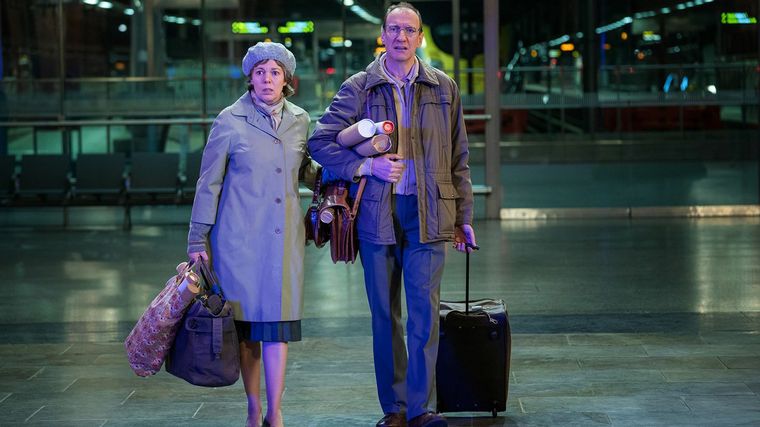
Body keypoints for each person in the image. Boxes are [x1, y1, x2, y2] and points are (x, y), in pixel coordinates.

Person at [307, 3, 476, 427]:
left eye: (410, 30)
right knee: (385, 316)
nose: (401, 37)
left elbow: (459, 156)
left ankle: (421, 408)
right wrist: (366, 166)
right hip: (376, 215)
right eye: (394, 29)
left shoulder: (443, 87)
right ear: (382, 34)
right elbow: (320, 142)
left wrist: (464, 216)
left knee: (424, 315)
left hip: (430, 213)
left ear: (420, 37)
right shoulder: (359, 86)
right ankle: (395, 408)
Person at [187, 42, 317, 427]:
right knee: (247, 331)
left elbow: (305, 169)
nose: (267, 79)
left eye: (275, 72)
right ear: (250, 78)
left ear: (286, 79)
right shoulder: (229, 120)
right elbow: (208, 184)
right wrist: (197, 238)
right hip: (238, 242)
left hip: (284, 240)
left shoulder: (300, 120)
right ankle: (253, 407)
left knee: (278, 327)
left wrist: (343, 172)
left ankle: (275, 412)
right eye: (260, 72)